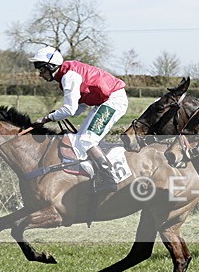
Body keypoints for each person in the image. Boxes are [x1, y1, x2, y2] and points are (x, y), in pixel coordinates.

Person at [29, 46, 128, 191]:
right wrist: (58, 114)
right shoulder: (67, 74)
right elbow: (78, 107)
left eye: (42, 70)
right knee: (78, 140)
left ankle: (110, 178)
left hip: (113, 100)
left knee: (87, 140)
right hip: (105, 101)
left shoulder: (69, 76)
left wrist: (47, 118)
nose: (40, 74)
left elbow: (69, 109)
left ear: (51, 66)